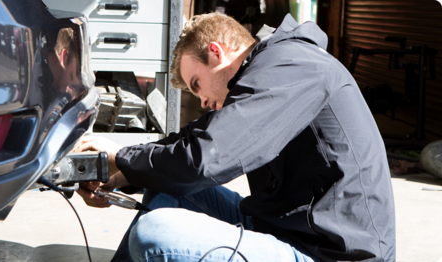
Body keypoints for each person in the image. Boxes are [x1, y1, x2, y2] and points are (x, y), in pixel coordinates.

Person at [75, 12, 395, 262]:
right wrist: (121, 173)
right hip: (283, 227)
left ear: (216, 53)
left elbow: (208, 158)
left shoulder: (292, 65)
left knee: (152, 235)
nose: (200, 101)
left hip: (330, 254)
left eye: (197, 83)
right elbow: (191, 140)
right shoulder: (265, 74)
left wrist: (124, 158)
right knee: (165, 191)